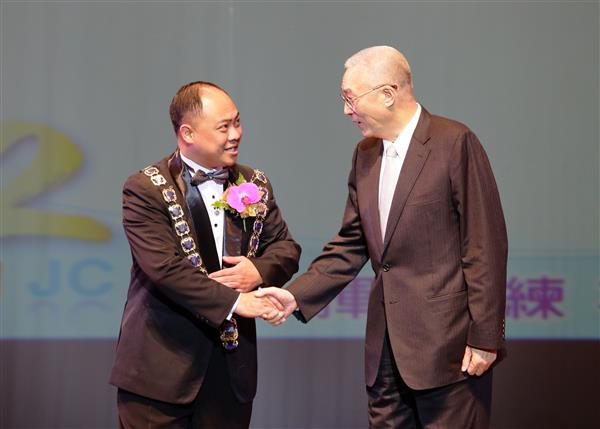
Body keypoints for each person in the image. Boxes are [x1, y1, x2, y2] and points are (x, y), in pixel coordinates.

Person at [258, 46, 508, 428]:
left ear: (388, 94)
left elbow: (484, 244)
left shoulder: (453, 143)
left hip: (449, 350)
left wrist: (485, 337)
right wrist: (295, 295)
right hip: (385, 354)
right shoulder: (365, 154)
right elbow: (351, 244)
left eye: (350, 98)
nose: (346, 111)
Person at [110, 81, 301, 428]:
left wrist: (258, 271)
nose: (235, 134)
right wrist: (237, 301)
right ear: (188, 133)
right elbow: (165, 269)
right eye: (223, 127)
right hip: (160, 372)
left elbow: (286, 249)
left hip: (230, 374)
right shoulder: (145, 188)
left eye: (237, 122)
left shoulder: (254, 183)